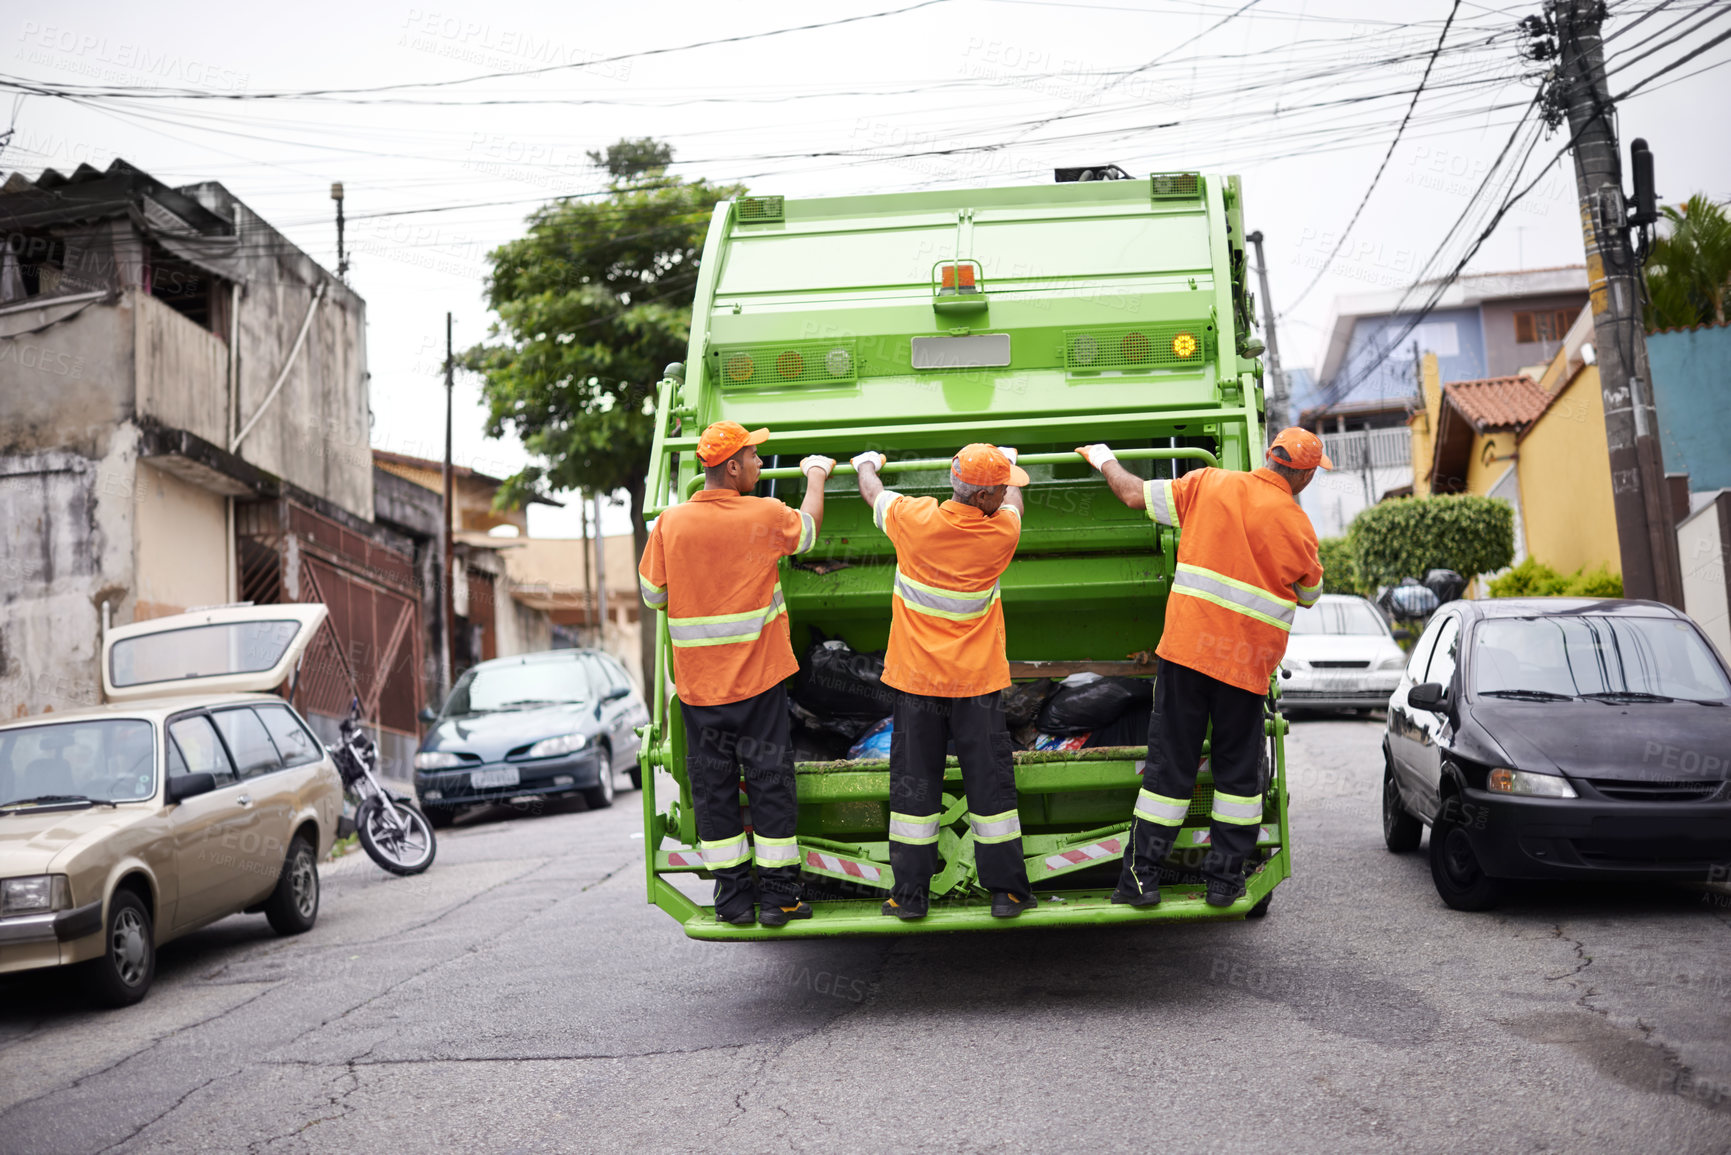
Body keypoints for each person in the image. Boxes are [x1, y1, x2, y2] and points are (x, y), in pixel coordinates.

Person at [1076, 427, 1328, 908]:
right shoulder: (1299, 527)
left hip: (1187, 657)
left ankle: (1139, 881)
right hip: (1245, 670)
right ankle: (1224, 883)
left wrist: (1104, 457)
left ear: (1271, 458)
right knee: (1237, 780)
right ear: (1306, 474)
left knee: (1169, 771)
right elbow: (1310, 595)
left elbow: (1132, 494)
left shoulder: (1208, 483)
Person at [638, 421, 834, 928]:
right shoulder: (764, 513)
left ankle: (731, 901)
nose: (760, 465)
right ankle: (779, 899)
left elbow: (654, 596)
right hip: (759, 683)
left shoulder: (669, 523)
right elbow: (807, 532)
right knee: (770, 785)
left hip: (700, 690)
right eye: (754, 457)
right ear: (731, 466)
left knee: (715, 790)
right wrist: (815, 476)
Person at [853, 444, 1038, 920]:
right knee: (990, 787)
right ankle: (1007, 893)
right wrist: (1011, 469)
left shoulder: (912, 520)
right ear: (985, 498)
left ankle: (909, 895)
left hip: (916, 684)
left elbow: (873, 494)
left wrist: (865, 464)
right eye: (999, 486)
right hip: (975, 686)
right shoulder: (1000, 534)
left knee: (914, 787)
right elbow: (1015, 503)